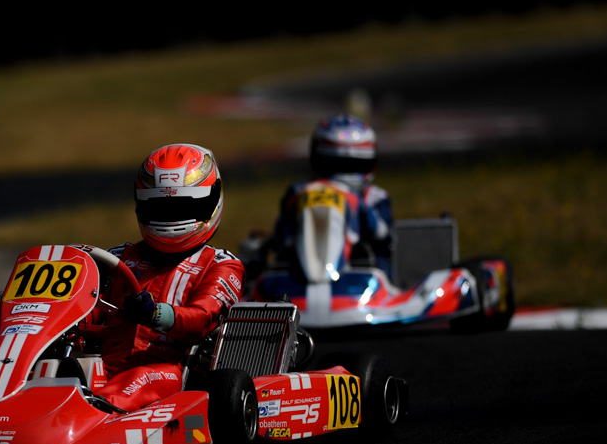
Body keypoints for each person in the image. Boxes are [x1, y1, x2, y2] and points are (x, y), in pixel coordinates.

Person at [86, 143, 245, 412]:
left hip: (171, 371)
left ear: (211, 200)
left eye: (183, 207)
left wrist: (155, 314)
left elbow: (202, 319)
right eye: (160, 208)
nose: (171, 218)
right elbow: (85, 309)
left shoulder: (221, 264)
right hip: (101, 366)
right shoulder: (114, 259)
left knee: (140, 378)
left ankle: (93, 412)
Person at [271, 114, 394, 276]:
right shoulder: (299, 192)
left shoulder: (375, 198)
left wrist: (362, 210)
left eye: (354, 164)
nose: (344, 173)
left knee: (379, 256)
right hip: (299, 273)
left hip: (359, 272)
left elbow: (384, 237)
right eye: (336, 163)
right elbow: (281, 235)